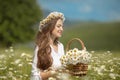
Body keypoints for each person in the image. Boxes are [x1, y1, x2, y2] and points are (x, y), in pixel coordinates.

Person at [30, 11, 65, 80]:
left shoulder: (61, 46)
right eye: (58, 26)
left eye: (62, 26)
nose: (61, 29)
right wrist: (51, 74)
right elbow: (34, 77)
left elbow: (63, 68)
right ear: (50, 27)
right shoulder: (40, 47)